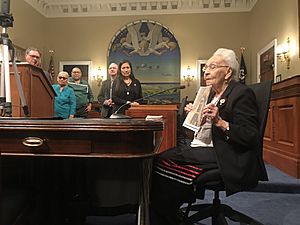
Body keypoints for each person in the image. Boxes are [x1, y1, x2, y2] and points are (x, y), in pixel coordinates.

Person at [150, 48, 264, 225]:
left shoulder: (241, 93)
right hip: (204, 146)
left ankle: (166, 213)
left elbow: (250, 136)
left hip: (229, 154)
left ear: (228, 72)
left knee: (164, 158)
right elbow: (194, 131)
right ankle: (169, 210)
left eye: (212, 66)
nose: (206, 71)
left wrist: (220, 122)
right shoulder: (209, 94)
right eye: (205, 68)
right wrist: (193, 116)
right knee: (162, 157)